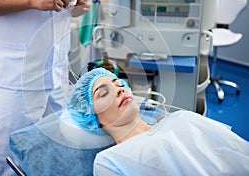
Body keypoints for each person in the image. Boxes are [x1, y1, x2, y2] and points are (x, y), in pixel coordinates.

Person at [0, 0, 90, 175]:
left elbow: (76, 2)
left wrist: (79, 5)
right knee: (16, 164)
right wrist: (32, 0)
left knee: (58, 157)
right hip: (15, 74)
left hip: (57, 72)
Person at [67, 67, 249, 176]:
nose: (120, 90)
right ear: (91, 117)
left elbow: (239, 153)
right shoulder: (108, 161)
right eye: (104, 93)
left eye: (120, 84)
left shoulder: (183, 118)